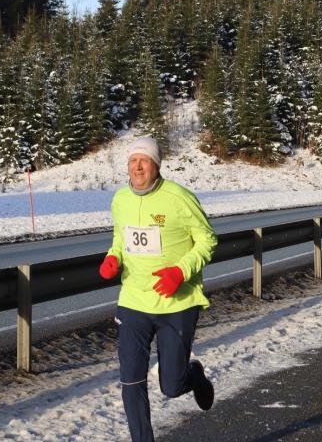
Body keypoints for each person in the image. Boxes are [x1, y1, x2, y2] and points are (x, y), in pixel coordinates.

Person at [99, 137, 216, 442]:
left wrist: (180, 271)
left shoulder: (179, 197)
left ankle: (194, 376)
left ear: (156, 165)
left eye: (144, 161)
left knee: (171, 386)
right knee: (131, 380)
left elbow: (207, 240)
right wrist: (114, 257)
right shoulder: (120, 199)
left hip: (176, 303)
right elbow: (120, 237)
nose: (137, 167)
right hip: (134, 301)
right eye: (132, 160)